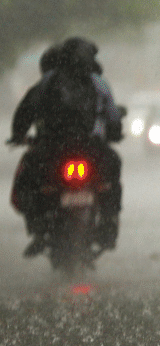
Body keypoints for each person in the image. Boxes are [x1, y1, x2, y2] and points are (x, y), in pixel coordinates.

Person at [9, 37, 124, 256]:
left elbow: (25, 110)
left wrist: (18, 135)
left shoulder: (47, 81)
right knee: (113, 169)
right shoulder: (98, 82)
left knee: (31, 178)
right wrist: (115, 133)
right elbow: (112, 115)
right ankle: (109, 223)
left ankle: (39, 230)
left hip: (53, 150)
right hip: (92, 149)